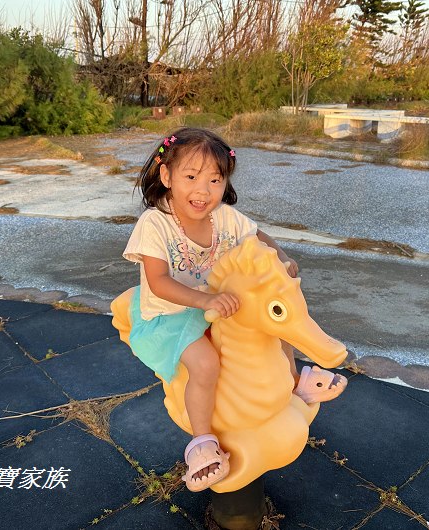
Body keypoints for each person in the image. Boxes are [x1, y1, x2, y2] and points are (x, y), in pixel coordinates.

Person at [122, 127, 346, 492]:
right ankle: (202, 442)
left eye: (214, 179)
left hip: (215, 301)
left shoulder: (223, 217)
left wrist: (283, 261)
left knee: (272, 327)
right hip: (170, 313)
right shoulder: (155, 223)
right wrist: (206, 300)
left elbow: (258, 239)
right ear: (166, 176)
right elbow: (159, 281)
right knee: (206, 364)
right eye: (191, 177)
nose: (203, 190)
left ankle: (293, 386)